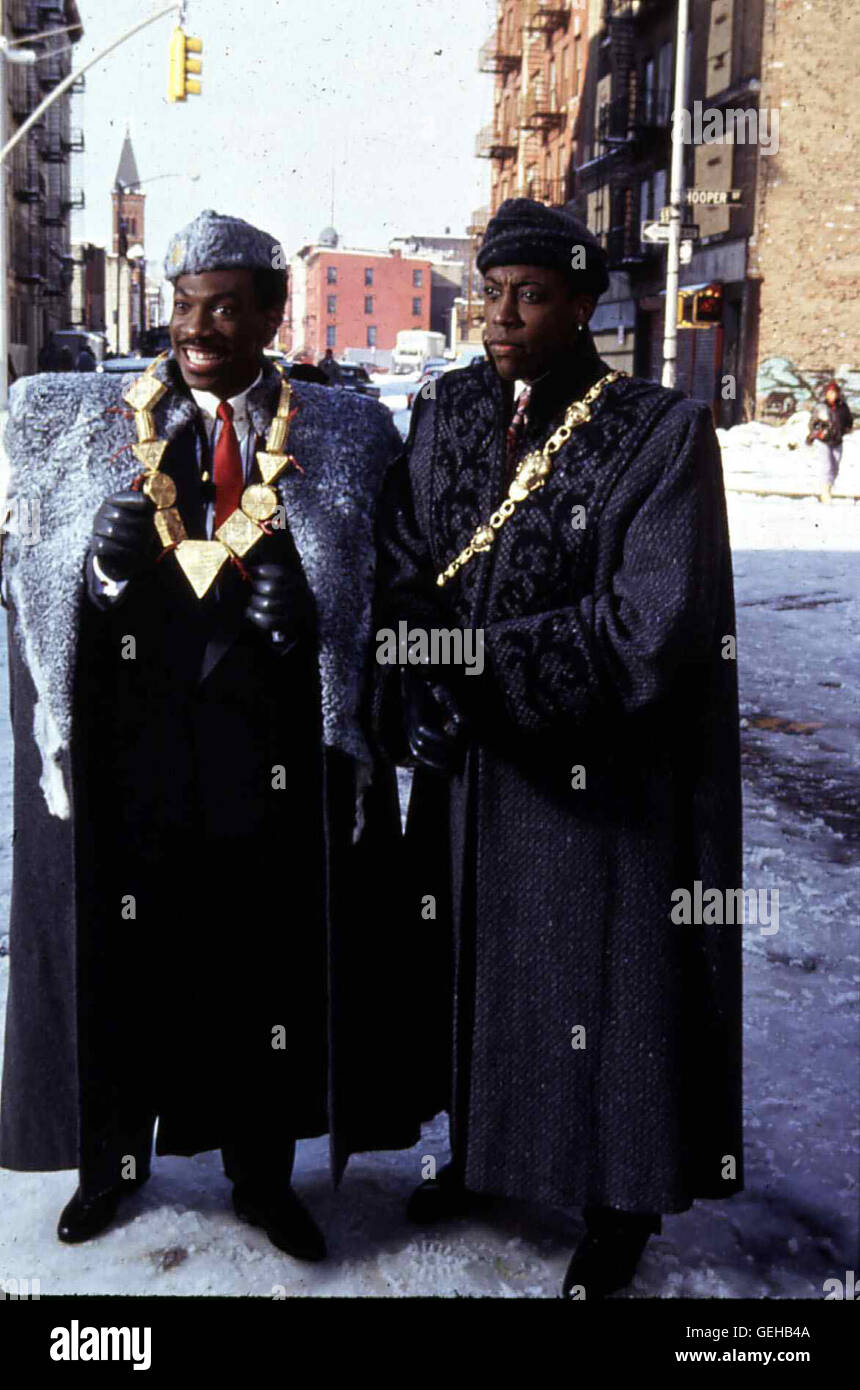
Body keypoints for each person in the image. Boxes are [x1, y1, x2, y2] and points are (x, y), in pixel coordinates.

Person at [0, 210, 426, 1259]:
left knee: (262, 967)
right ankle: (111, 1164)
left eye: (227, 305)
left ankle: (260, 1174)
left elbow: (386, 581)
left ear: (274, 315)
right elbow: (36, 583)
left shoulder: (342, 432)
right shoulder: (85, 419)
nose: (200, 326)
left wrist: (309, 618)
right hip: (134, 749)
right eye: (187, 304)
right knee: (121, 957)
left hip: (265, 751)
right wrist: (97, 571)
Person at [372, 198, 744, 1299]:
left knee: (600, 985)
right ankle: (486, 1154)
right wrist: (411, 685)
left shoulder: (659, 432)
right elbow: (397, 567)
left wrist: (478, 673)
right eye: (489, 294)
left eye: (527, 296)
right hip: (471, 775)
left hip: (598, 780)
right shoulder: (440, 414)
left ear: (583, 304)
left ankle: (616, 1201)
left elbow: (651, 624)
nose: (499, 316)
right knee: (479, 977)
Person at [805, 379, 853, 502]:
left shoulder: (843, 407)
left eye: (835, 392)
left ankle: (829, 487)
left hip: (837, 440)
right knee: (827, 465)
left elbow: (849, 420)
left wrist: (846, 429)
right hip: (824, 441)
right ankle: (825, 492)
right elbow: (813, 423)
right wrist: (815, 433)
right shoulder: (821, 407)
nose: (833, 395)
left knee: (835, 466)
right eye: (830, 393)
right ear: (826, 394)